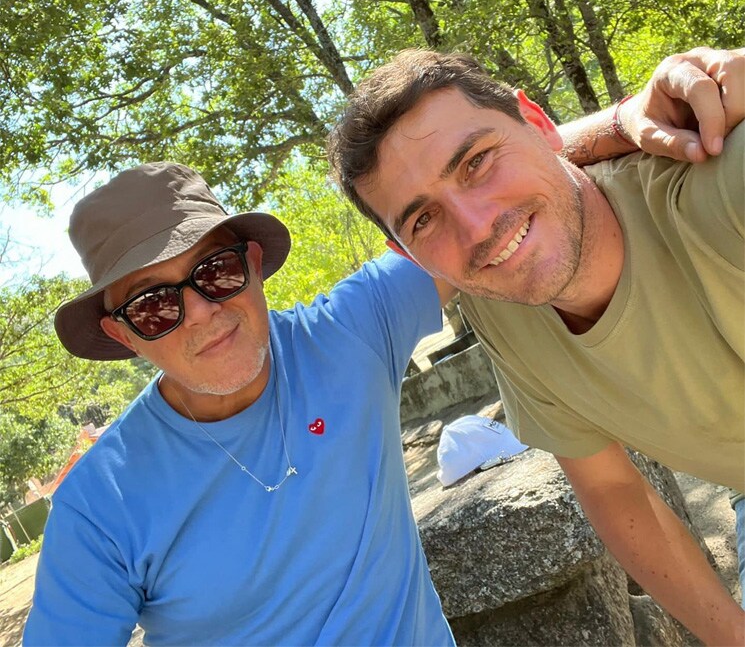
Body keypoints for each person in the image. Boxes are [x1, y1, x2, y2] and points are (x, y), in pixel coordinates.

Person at [24, 49, 740, 645]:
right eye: (154, 306)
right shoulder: (101, 501)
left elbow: (486, 211)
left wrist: (625, 119)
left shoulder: (348, 333)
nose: (204, 313)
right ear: (120, 333)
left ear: (250, 262)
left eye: (215, 270)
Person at [328, 47, 745, 645]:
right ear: (408, 256)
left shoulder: (717, 189)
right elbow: (608, 486)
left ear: (540, 124)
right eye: (423, 220)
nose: (476, 226)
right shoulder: (503, 312)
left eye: (476, 162)